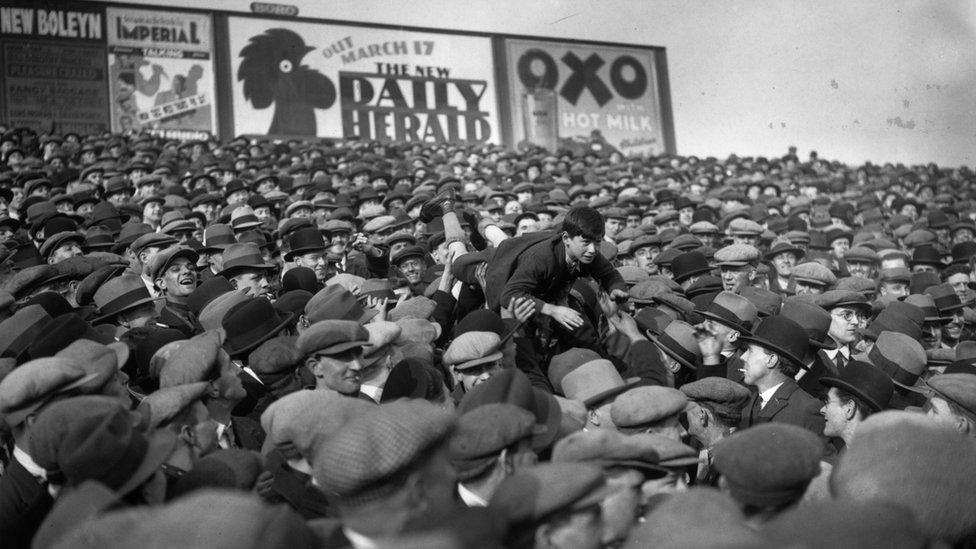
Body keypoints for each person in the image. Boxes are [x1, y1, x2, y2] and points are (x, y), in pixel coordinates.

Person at [737, 315, 826, 437]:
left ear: (771, 360)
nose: (743, 357)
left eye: (750, 351)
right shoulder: (748, 400)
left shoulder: (807, 410)